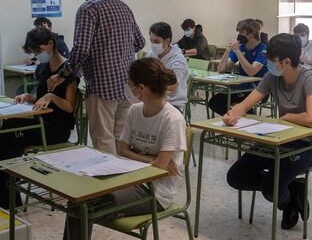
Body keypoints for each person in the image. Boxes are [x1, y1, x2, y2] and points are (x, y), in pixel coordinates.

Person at [63, 57, 187, 240]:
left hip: (156, 192)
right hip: (128, 179)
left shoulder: (172, 119)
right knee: (77, 200)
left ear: (141, 89)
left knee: (84, 207)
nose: (127, 89)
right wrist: (152, 159)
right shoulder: (135, 111)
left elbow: (160, 169)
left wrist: (145, 158)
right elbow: (122, 150)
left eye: (129, 84)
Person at [223, 33, 312, 230]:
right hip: (277, 139)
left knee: (271, 189)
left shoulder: (309, 79)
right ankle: (292, 189)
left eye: (271, 60)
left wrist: (287, 118)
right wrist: (232, 115)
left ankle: (286, 200)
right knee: (235, 177)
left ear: (286, 62)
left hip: (305, 144)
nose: (268, 63)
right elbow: (245, 104)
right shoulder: (271, 77)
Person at [47, 0, 146, 154]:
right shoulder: (123, 6)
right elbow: (140, 42)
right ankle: (124, 183)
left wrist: (61, 75)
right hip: (127, 84)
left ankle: (109, 182)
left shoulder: (88, 8)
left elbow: (82, 50)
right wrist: (119, 54)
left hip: (102, 84)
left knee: (103, 141)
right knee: (121, 140)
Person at [0, 27, 78, 209]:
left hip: (56, 128)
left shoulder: (67, 70)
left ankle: (8, 186)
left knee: (13, 130)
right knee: (12, 135)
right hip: (40, 121)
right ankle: (8, 185)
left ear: (50, 44)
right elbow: (41, 96)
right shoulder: (43, 67)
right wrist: (29, 96)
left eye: (38, 51)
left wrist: (52, 97)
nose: (37, 55)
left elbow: (69, 106)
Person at [208, 19, 268, 116]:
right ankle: (234, 119)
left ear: (251, 34)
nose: (239, 35)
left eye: (242, 32)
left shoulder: (263, 49)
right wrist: (228, 51)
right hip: (241, 87)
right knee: (215, 102)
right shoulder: (241, 47)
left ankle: (244, 120)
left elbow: (251, 72)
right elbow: (221, 69)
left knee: (244, 108)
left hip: (258, 90)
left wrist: (238, 51)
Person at [146, 22, 189, 113]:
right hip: (154, 100)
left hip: (172, 105)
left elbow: (171, 86)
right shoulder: (152, 54)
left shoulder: (178, 60)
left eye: (157, 41)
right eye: (151, 41)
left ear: (167, 41)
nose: (153, 44)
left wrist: (148, 92)